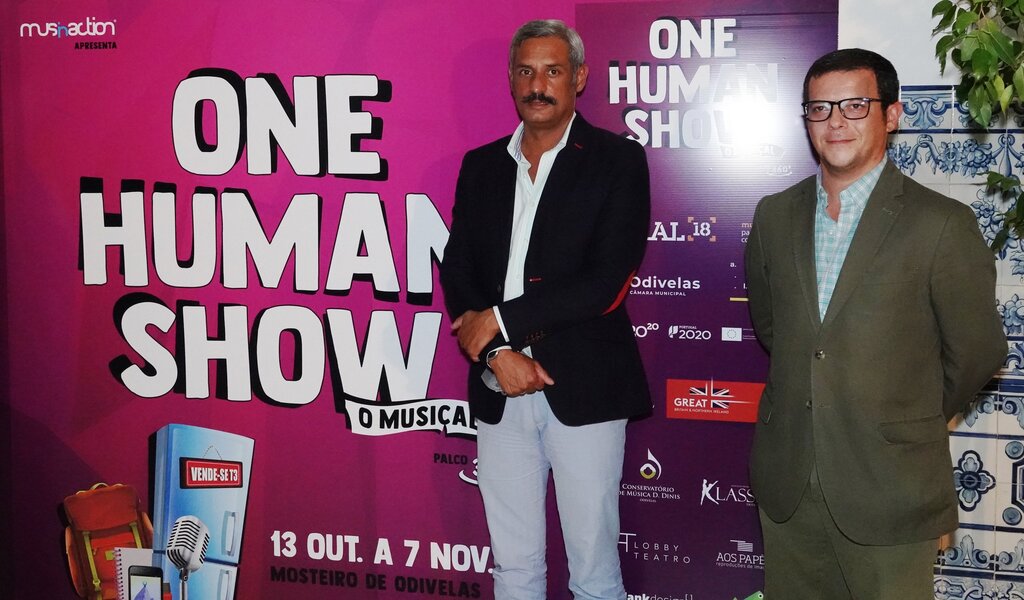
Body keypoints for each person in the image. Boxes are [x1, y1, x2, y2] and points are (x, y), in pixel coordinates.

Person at [744, 47, 1007, 598]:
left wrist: (905, 418)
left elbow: (977, 351)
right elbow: (775, 331)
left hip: (892, 486)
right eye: (820, 108)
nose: (835, 121)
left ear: (892, 115)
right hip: (790, 481)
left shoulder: (942, 223)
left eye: (855, 106)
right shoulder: (774, 215)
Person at [439, 19, 651, 600]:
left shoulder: (617, 161)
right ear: (511, 80)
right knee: (513, 567)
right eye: (526, 72)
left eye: (553, 71)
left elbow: (605, 282)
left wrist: (500, 321)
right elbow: (458, 269)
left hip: (586, 386)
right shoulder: (481, 165)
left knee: (594, 572)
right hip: (499, 386)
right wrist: (497, 351)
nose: (538, 85)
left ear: (578, 78)